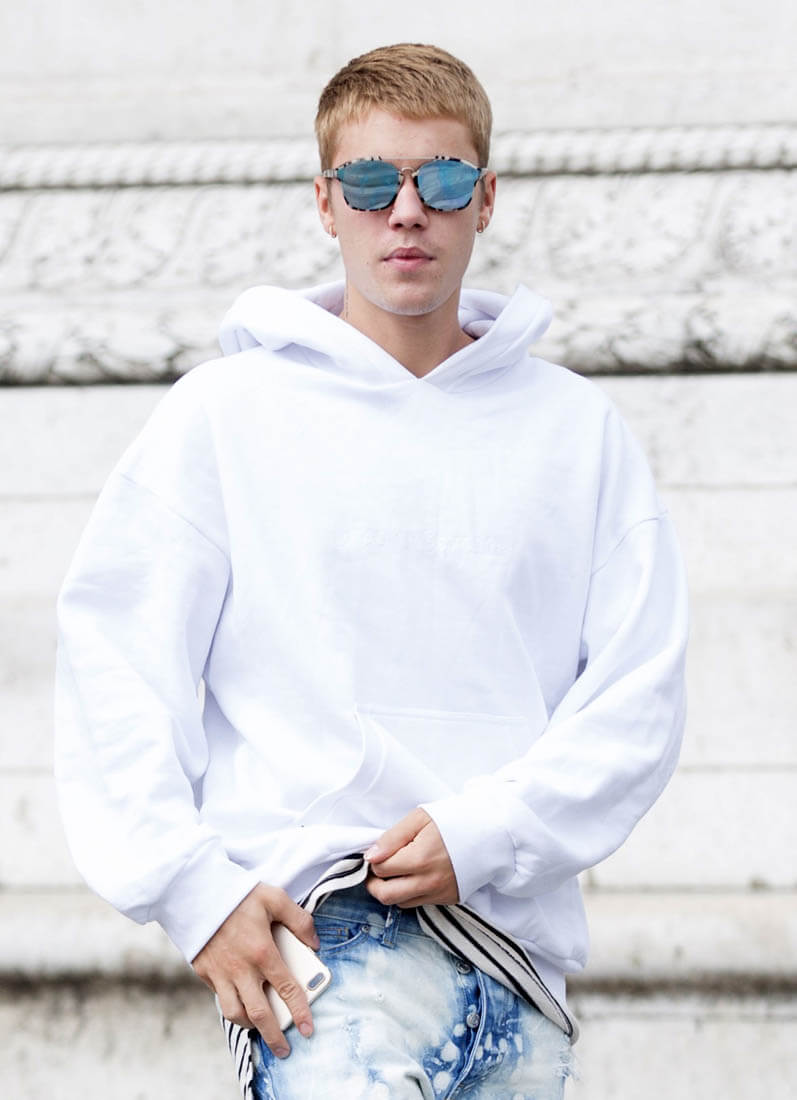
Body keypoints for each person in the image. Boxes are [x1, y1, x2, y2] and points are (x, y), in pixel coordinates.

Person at [54, 43, 688, 1100]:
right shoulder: (224, 415)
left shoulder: (578, 431)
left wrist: (490, 830)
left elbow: (639, 696)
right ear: (325, 202)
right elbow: (114, 659)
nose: (405, 212)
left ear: (485, 199)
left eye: (441, 180)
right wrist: (191, 891)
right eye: (367, 182)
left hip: (518, 971)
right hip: (329, 945)